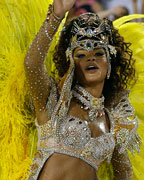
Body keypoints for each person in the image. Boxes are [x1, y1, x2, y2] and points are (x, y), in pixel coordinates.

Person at [24, 0, 142, 179]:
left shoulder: (115, 118)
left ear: (109, 63)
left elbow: (124, 173)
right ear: (70, 63)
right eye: (81, 54)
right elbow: (32, 65)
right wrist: (55, 17)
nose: (90, 58)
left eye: (99, 53)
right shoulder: (55, 99)